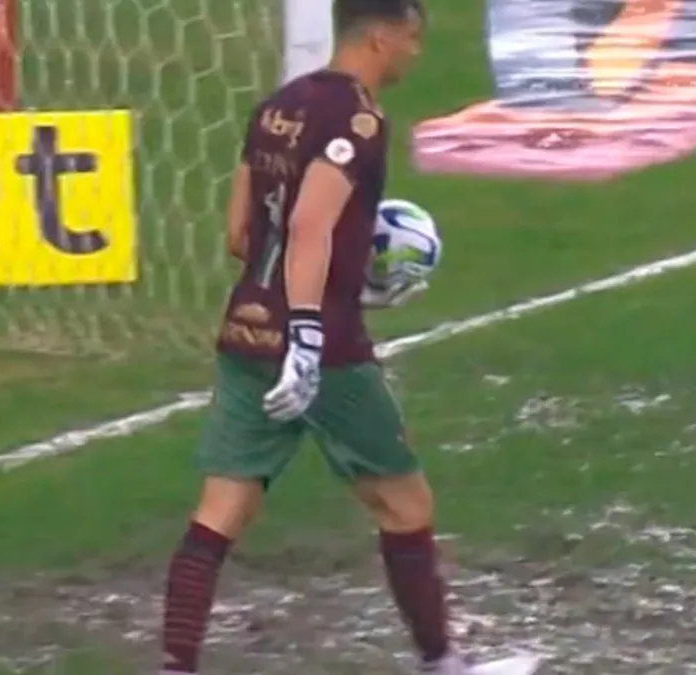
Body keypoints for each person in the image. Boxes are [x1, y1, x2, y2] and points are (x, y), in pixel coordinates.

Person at [158, 2, 537, 674]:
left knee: (220, 510)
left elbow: (240, 236)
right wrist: (308, 330)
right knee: (405, 501)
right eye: (412, 40)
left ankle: (174, 666)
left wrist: (294, 303)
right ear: (380, 35)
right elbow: (310, 225)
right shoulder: (357, 121)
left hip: (246, 328)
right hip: (323, 346)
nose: (415, 55)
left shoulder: (275, 108)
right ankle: (441, 662)